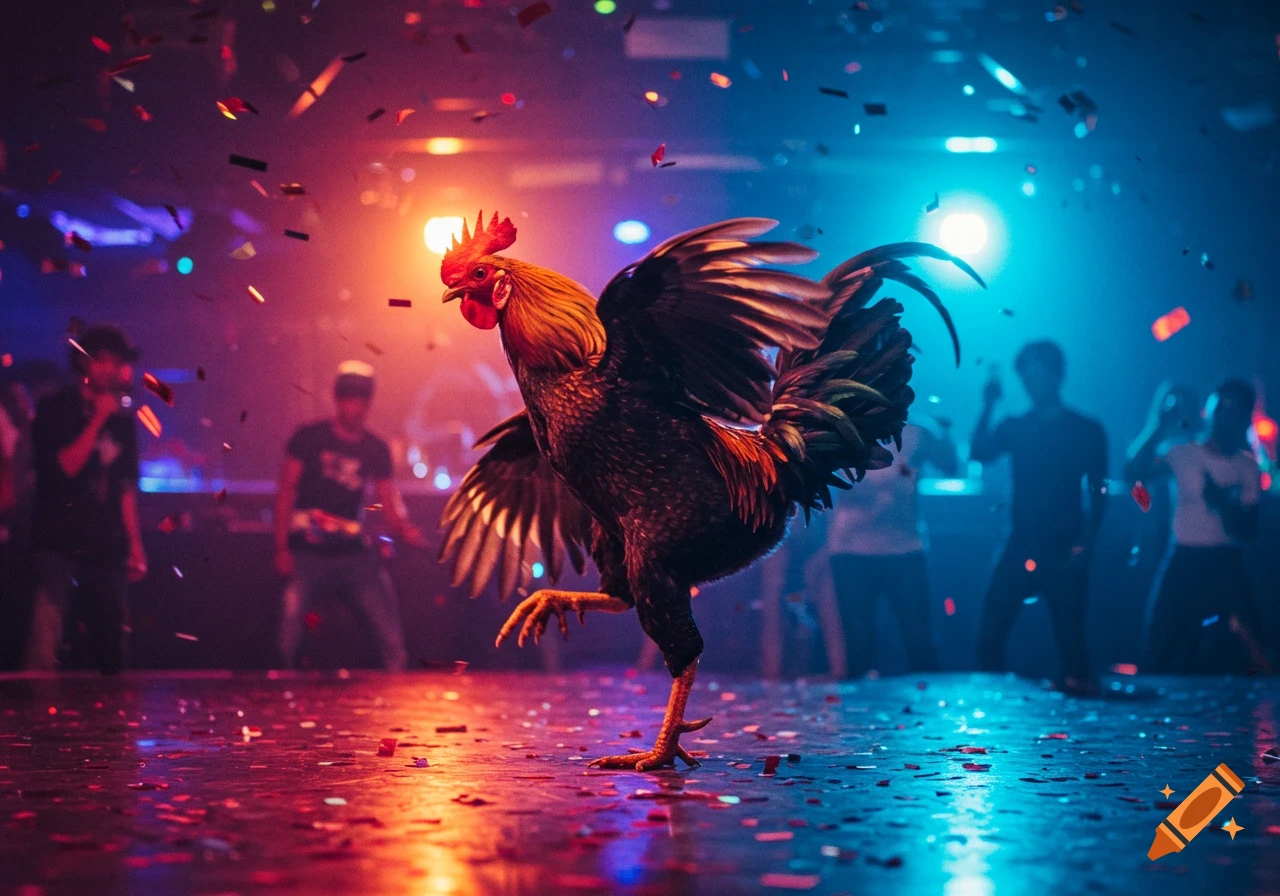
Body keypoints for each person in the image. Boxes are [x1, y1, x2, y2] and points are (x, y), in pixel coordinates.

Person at [970, 341, 1107, 693]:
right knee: (990, 634)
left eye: (1037, 374)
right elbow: (979, 452)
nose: (1031, 382)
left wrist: (1087, 543)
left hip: (1065, 544)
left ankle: (1077, 705)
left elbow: (1098, 491)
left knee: (1071, 641)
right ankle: (992, 703)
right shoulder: (1017, 427)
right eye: (1026, 375)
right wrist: (988, 404)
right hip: (1022, 542)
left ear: (1057, 375)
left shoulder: (1085, 430)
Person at [274, 361, 424, 671]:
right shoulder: (309, 438)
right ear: (337, 399)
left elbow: (388, 499)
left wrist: (403, 527)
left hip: (355, 558)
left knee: (391, 642)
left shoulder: (376, 448)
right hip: (307, 555)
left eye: (360, 399)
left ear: (368, 402)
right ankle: (283, 690)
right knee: (287, 639)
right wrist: (281, 548)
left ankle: (393, 691)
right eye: (348, 398)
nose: (354, 406)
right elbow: (285, 492)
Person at [25, 326, 147, 674]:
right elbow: (65, 467)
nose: (111, 369)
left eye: (117, 362)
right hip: (58, 543)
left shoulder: (123, 423)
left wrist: (135, 545)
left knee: (112, 649)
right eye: (102, 361)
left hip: (105, 546)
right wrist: (97, 419)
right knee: (46, 643)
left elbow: (125, 489)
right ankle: (38, 704)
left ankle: (112, 707)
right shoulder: (55, 409)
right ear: (84, 363)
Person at [1129, 379, 1266, 673]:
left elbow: (1250, 531)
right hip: (1183, 558)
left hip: (1225, 562)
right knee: (1160, 644)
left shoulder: (1247, 466)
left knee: (1249, 645)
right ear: (1209, 410)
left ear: (1244, 418)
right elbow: (1133, 476)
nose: (1226, 417)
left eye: (1234, 410)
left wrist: (1223, 503)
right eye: (1221, 408)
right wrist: (1157, 428)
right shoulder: (1182, 453)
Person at [820, 420, 958, 677]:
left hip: (905, 549)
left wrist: (945, 433)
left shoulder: (918, 430)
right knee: (858, 646)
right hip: (852, 550)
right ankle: (860, 702)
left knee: (920, 643)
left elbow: (950, 467)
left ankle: (926, 698)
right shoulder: (841, 428)